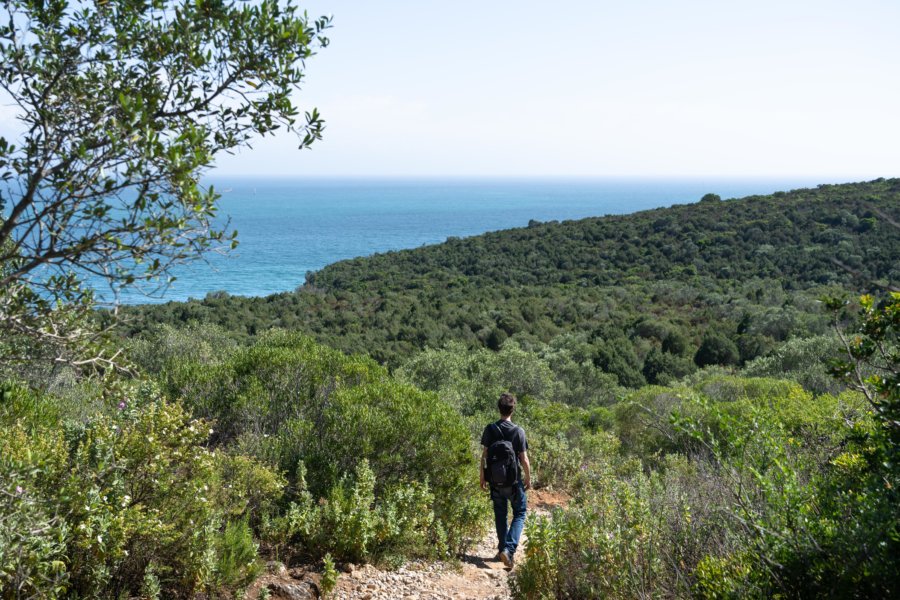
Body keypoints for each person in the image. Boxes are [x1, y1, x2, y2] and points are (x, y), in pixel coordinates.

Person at [480, 392, 531, 569]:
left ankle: (502, 548)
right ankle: (508, 550)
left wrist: (482, 475)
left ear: (499, 408)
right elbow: (523, 459)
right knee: (520, 512)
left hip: (495, 480)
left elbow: (484, 455)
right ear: (512, 409)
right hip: (513, 482)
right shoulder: (518, 431)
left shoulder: (490, 429)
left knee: (500, 515)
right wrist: (528, 479)